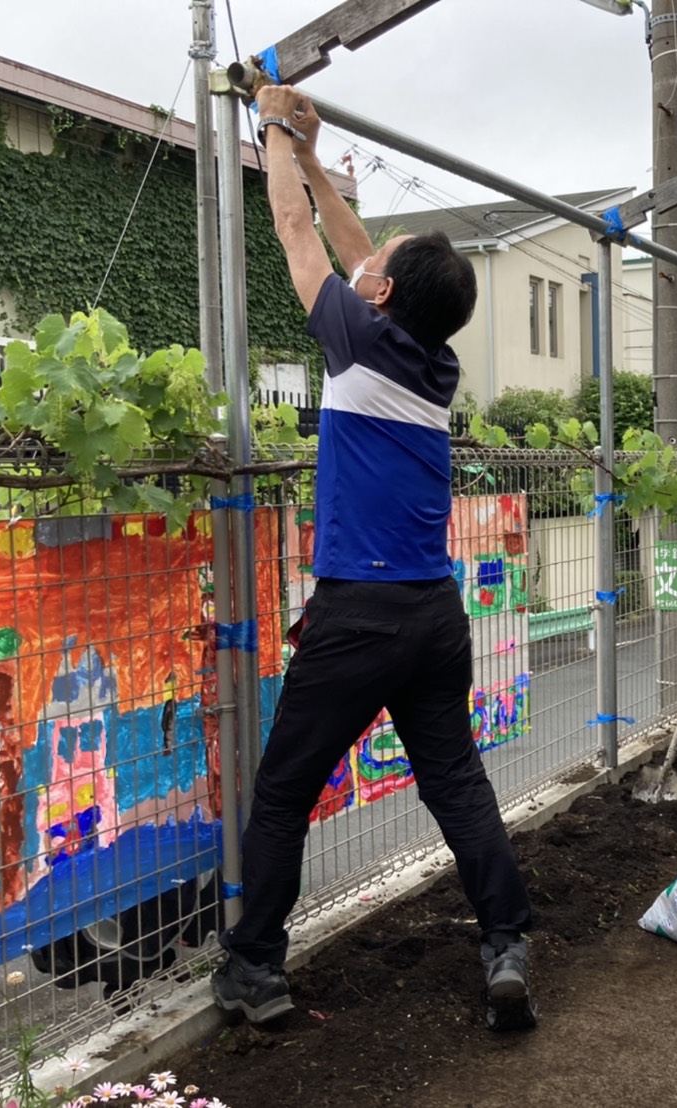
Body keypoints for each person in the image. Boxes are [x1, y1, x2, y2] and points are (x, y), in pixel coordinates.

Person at [211, 84, 536, 1032]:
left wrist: (273, 126)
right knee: (458, 783)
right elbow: (364, 257)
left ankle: (255, 971)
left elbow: (292, 232)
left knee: (282, 795)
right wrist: (318, 157)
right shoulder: (432, 362)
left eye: (379, 268)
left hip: (359, 616)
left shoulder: (356, 341)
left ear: (383, 299)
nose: (368, 261)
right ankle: (507, 943)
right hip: (435, 615)